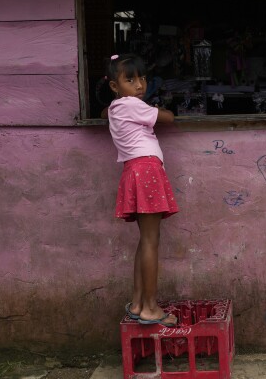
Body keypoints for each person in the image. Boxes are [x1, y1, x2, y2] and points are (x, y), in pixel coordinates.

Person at [97, 53, 179, 327]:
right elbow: (168, 118)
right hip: (147, 172)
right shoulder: (133, 105)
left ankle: (137, 302)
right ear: (114, 86)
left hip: (134, 171)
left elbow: (104, 112)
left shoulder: (116, 107)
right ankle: (151, 308)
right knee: (151, 242)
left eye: (142, 78)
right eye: (130, 80)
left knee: (144, 241)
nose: (139, 84)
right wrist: (160, 108)